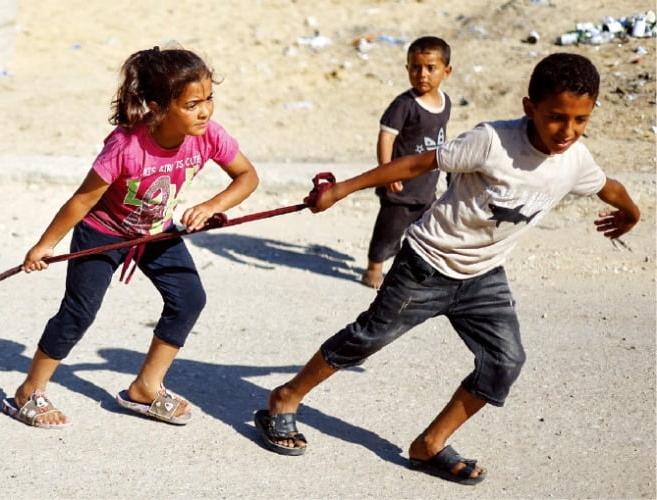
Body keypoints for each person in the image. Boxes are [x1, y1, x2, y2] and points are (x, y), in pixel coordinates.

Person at [254, 53, 640, 485]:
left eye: (580, 120)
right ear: (529, 107)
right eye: (555, 118)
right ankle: (285, 398)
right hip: (426, 263)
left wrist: (631, 212)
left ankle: (430, 444)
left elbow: (608, 185)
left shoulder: (576, 159)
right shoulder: (492, 142)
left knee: (504, 362)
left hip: (483, 276)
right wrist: (341, 190)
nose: (567, 131)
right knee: (367, 338)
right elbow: (419, 163)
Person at [2, 46, 259, 429]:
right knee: (78, 314)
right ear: (157, 107)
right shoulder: (126, 146)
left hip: (156, 232)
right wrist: (45, 244)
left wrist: (212, 205)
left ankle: (145, 387)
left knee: (189, 299)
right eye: (192, 104)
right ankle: (28, 392)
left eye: (209, 99)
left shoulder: (208, 136)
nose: (205, 111)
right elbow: (82, 200)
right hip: (103, 233)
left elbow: (247, 177)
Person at [362, 36, 452, 290]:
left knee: (427, 229)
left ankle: (419, 269)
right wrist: (387, 173)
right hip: (399, 186)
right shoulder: (404, 105)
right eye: (415, 67)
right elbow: (386, 137)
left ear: (447, 71)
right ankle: (374, 268)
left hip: (426, 184)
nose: (422, 74)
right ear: (407, 69)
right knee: (389, 229)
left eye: (430, 68)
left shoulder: (445, 103)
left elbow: (440, 136)